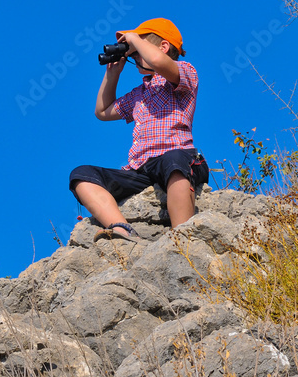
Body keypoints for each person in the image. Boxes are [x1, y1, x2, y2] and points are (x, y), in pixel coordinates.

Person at [69, 18, 209, 241]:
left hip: (179, 157)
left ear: (163, 47)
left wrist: (133, 38)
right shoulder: (139, 93)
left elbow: (157, 61)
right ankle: (122, 229)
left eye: (137, 50)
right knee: (82, 175)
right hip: (141, 168)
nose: (133, 55)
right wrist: (112, 74)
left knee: (174, 162)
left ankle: (182, 237)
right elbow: (103, 111)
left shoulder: (184, 71)